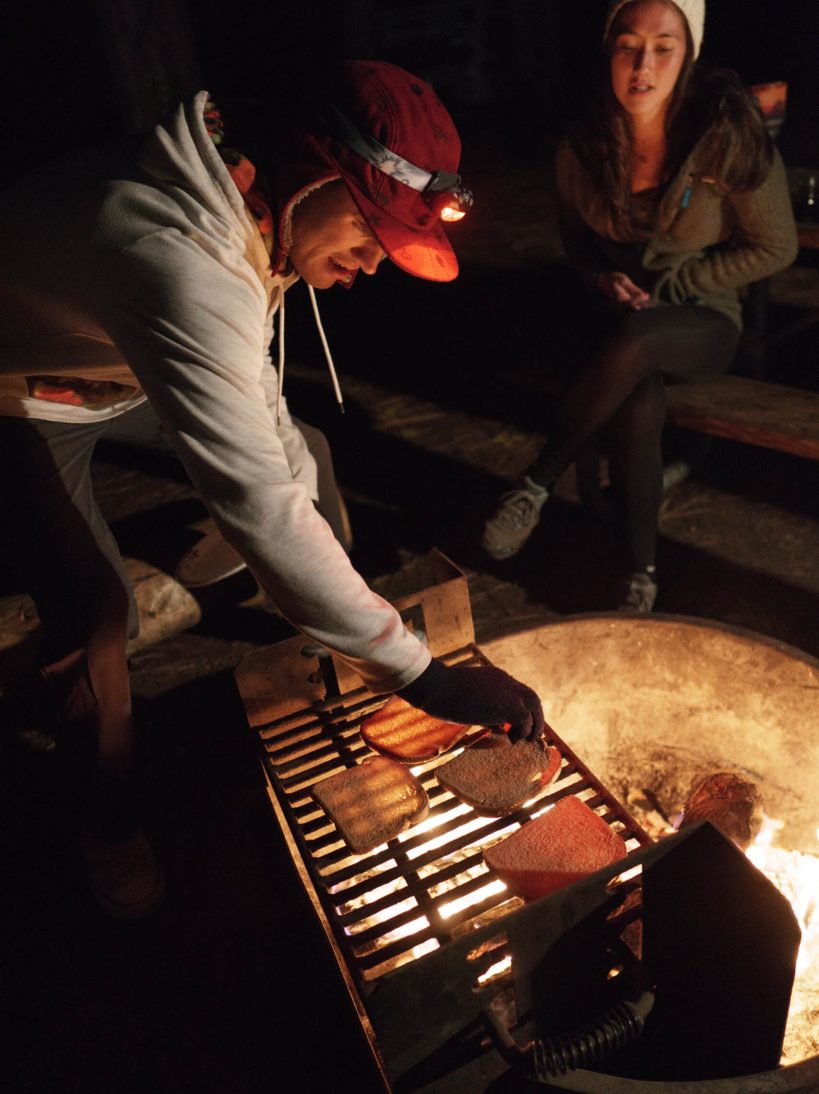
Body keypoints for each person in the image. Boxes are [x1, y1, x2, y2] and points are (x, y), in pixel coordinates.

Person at [0, 61, 544, 920]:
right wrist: (423, 677)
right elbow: (256, 495)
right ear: (322, 175)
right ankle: (107, 820)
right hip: (23, 384)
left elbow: (259, 408)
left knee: (312, 455)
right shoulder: (181, 256)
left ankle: (327, 639)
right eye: (371, 235)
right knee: (97, 614)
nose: (370, 267)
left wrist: (362, 628)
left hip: (117, 361)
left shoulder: (258, 195)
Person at [481, 0, 798, 610]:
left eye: (663, 46)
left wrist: (676, 287)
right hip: (613, 315)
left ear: (689, 54)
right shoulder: (583, 144)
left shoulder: (725, 135)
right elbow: (577, 245)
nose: (642, 63)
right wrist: (604, 281)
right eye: (628, 45)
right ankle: (641, 572)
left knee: (641, 341)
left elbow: (777, 245)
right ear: (609, 50)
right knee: (638, 400)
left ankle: (537, 480)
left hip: (699, 315)